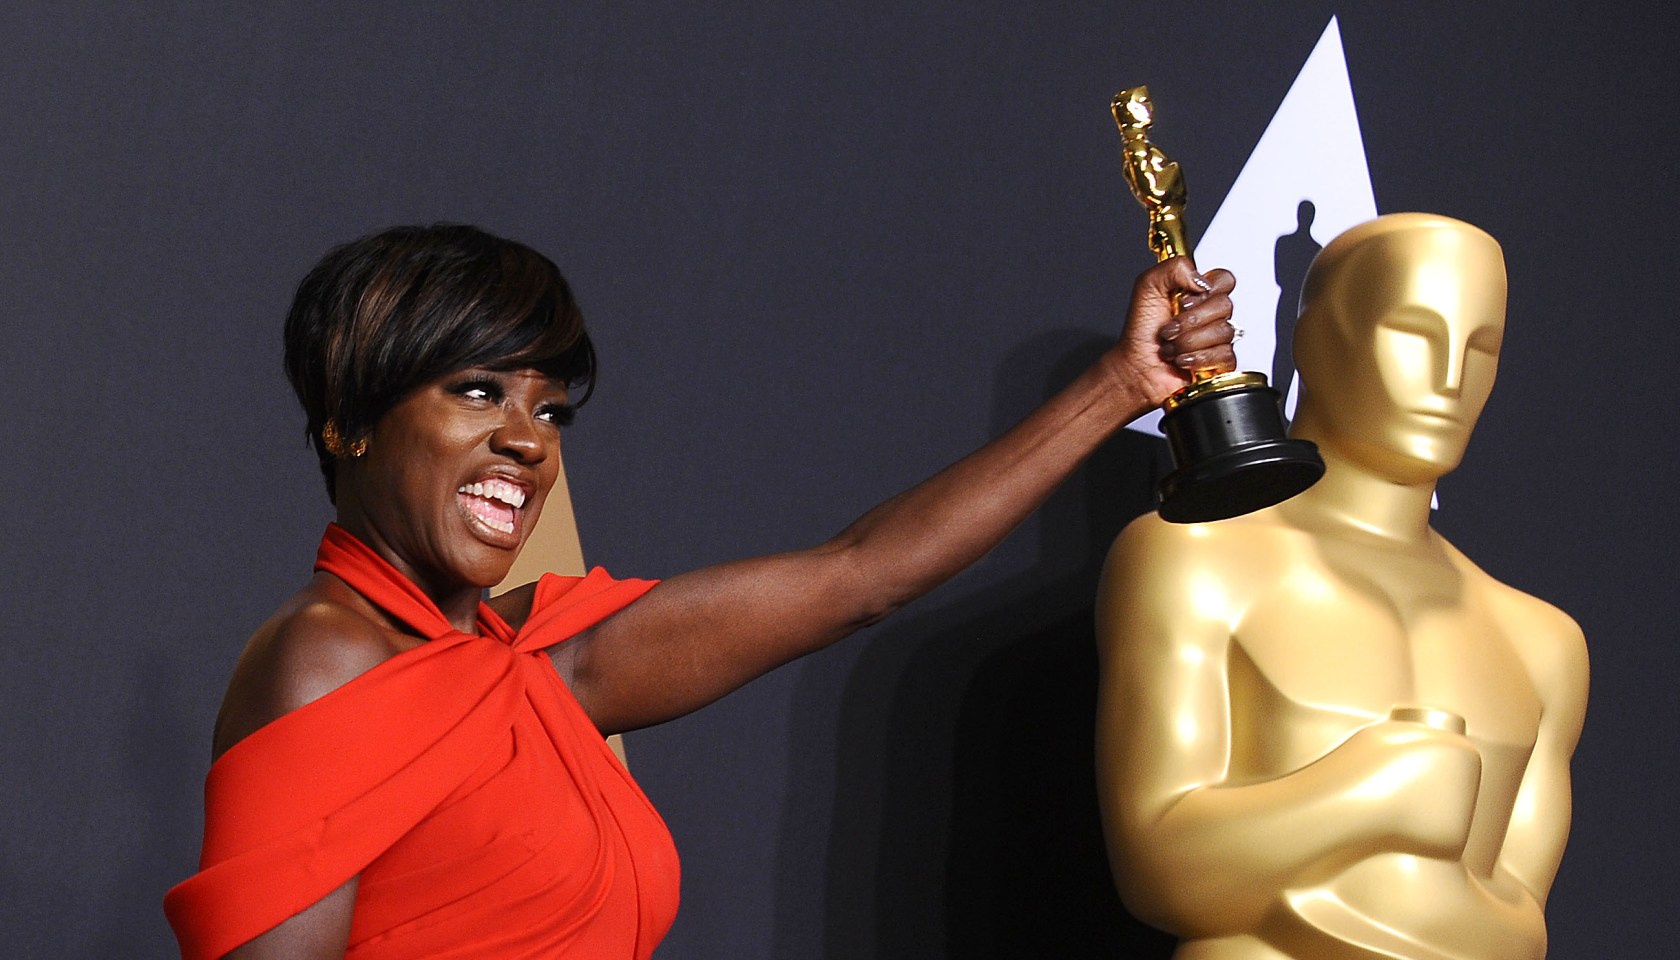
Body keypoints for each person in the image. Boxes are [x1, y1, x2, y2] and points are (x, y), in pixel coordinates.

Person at [164, 222, 1238, 959]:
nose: (527, 441)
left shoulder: (539, 661)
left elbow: (860, 575)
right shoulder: (328, 658)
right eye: (478, 390)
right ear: (350, 419)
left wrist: (1126, 383)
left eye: (550, 409)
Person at [1094, 213, 1588, 960]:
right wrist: (1365, 792)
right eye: (1414, 334)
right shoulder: (1195, 562)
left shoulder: (1543, 644)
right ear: (1317, 340)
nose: (1449, 380)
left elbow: (1523, 931)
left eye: (1480, 348)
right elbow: (1161, 869)